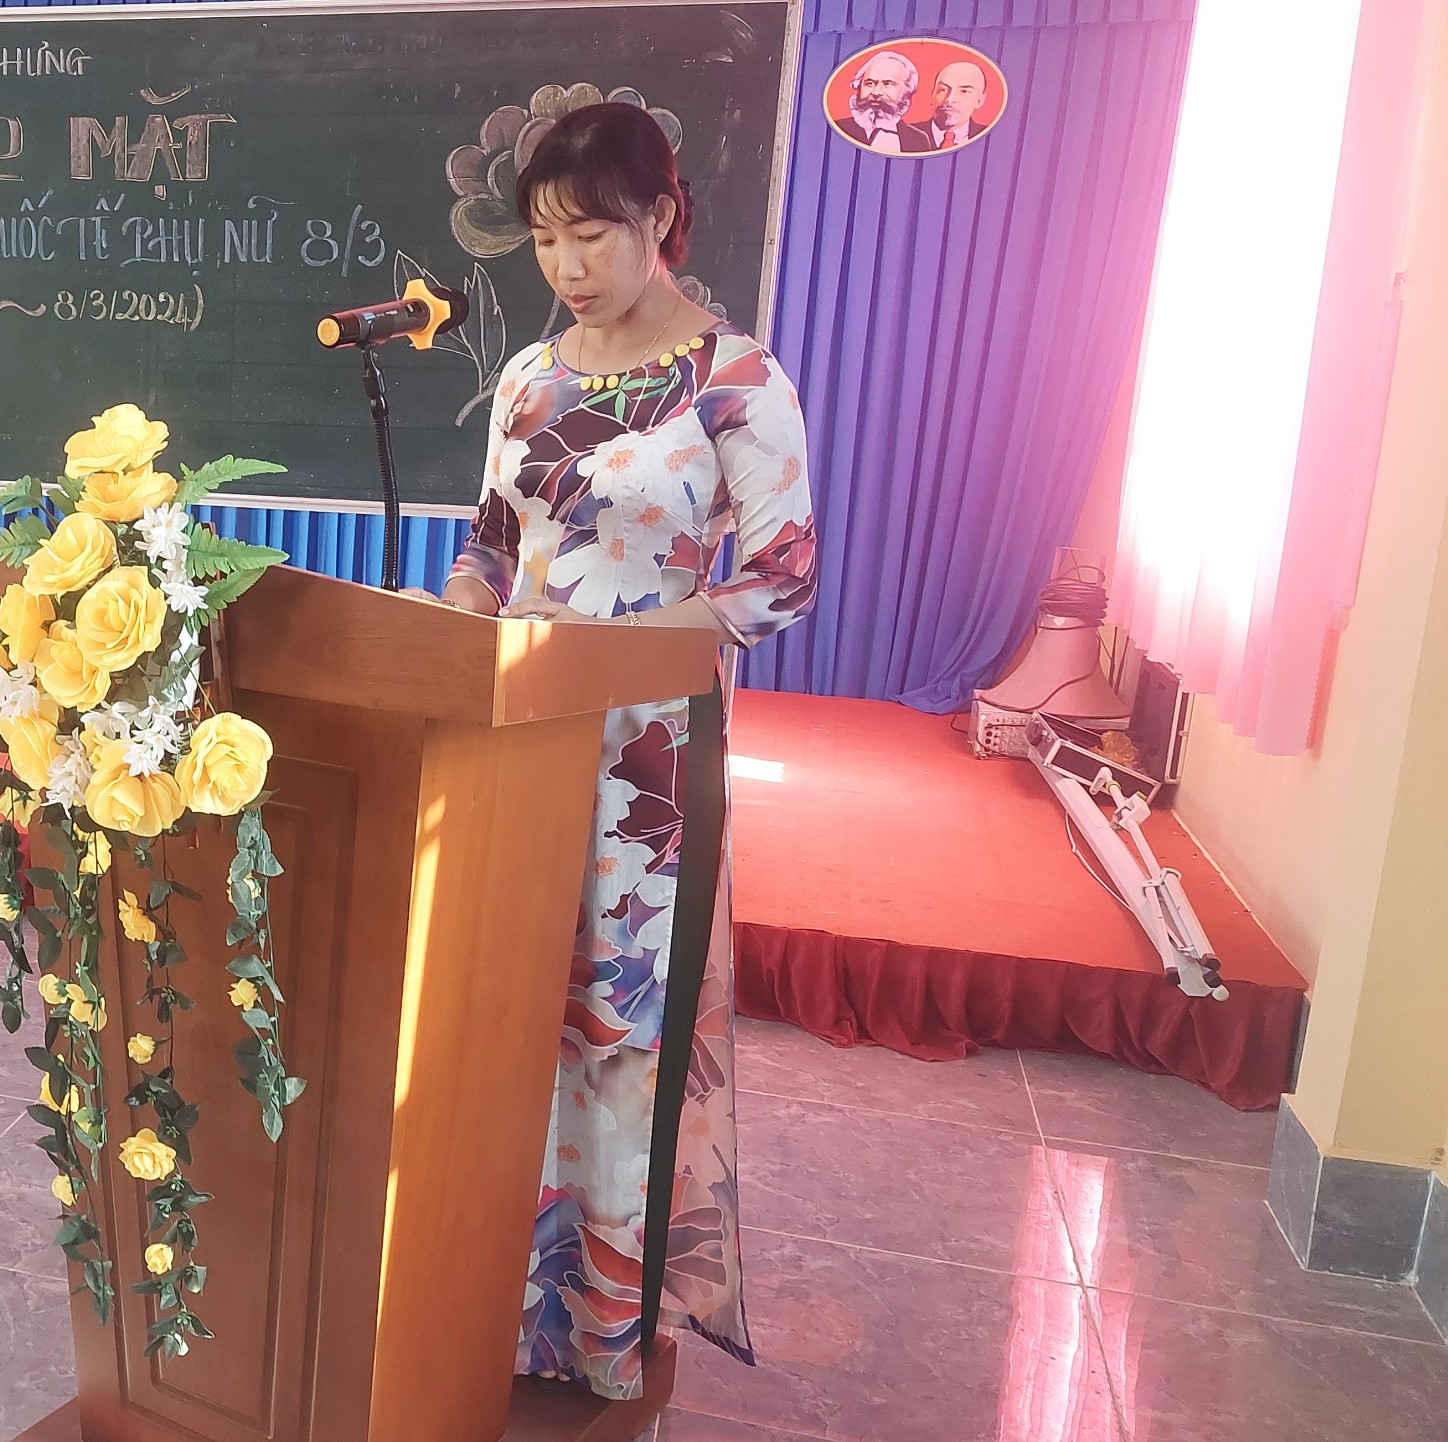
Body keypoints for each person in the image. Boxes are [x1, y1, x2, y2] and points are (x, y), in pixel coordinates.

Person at [409, 102, 816, 1400]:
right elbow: (490, 544)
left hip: (649, 766)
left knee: (621, 1033)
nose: (568, 265)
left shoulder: (735, 379)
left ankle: (603, 1328)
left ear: (661, 217)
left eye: (592, 233)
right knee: (507, 1010)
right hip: (516, 744)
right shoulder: (529, 377)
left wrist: (609, 649)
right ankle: (494, 1303)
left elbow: (780, 579)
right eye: (545, 240)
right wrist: (455, 624)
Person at [836, 49, 932, 154]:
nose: (876, 92)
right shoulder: (839, 129)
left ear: (906, 90)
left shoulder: (918, 140)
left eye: (888, 84)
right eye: (870, 83)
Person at [910, 60, 995, 150]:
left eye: (964, 91)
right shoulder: (906, 135)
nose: (949, 99)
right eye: (943, 90)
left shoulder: (991, 138)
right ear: (932, 95)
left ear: (979, 101)